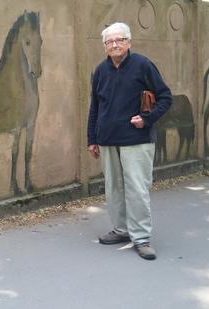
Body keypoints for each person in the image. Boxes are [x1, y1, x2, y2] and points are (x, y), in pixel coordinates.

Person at [87, 22, 172, 260]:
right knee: (114, 189)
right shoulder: (100, 71)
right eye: (109, 41)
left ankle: (141, 237)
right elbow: (95, 107)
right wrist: (92, 138)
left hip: (137, 139)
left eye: (119, 40)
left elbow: (165, 97)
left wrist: (147, 119)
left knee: (137, 190)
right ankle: (121, 230)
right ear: (104, 46)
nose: (114, 44)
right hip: (107, 140)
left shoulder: (143, 65)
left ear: (129, 42)